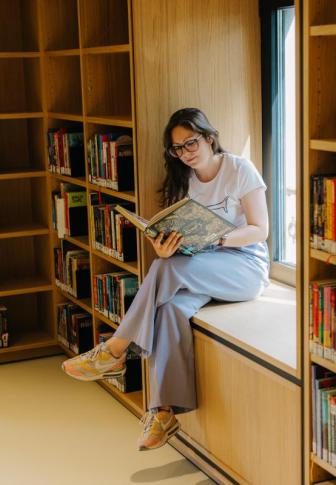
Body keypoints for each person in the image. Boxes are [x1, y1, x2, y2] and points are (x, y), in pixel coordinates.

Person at [61, 107, 270, 451]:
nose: (186, 153)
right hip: (200, 266)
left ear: (209, 137)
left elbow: (260, 230)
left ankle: (115, 349)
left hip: (243, 267)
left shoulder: (238, 169)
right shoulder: (182, 180)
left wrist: (216, 239)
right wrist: (165, 247)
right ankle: (163, 413)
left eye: (191, 143)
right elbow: (178, 240)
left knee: (164, 272)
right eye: (178, 148)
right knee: (170, 308)